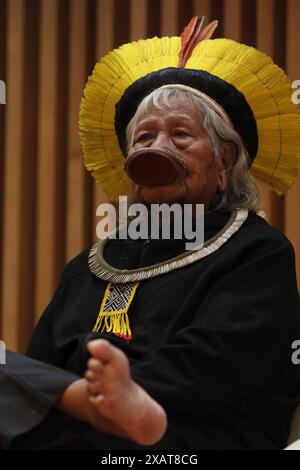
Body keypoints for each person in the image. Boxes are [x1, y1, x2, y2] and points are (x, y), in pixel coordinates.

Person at [1, 16, 300, 450]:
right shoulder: (87, 266)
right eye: (143, 138)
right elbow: (41, 369)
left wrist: (116, 398)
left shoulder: (256, 252)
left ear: (223, 163)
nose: (156, 149)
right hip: (77, 431)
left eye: (180, 134)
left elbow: (215, 369)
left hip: (189, 439)